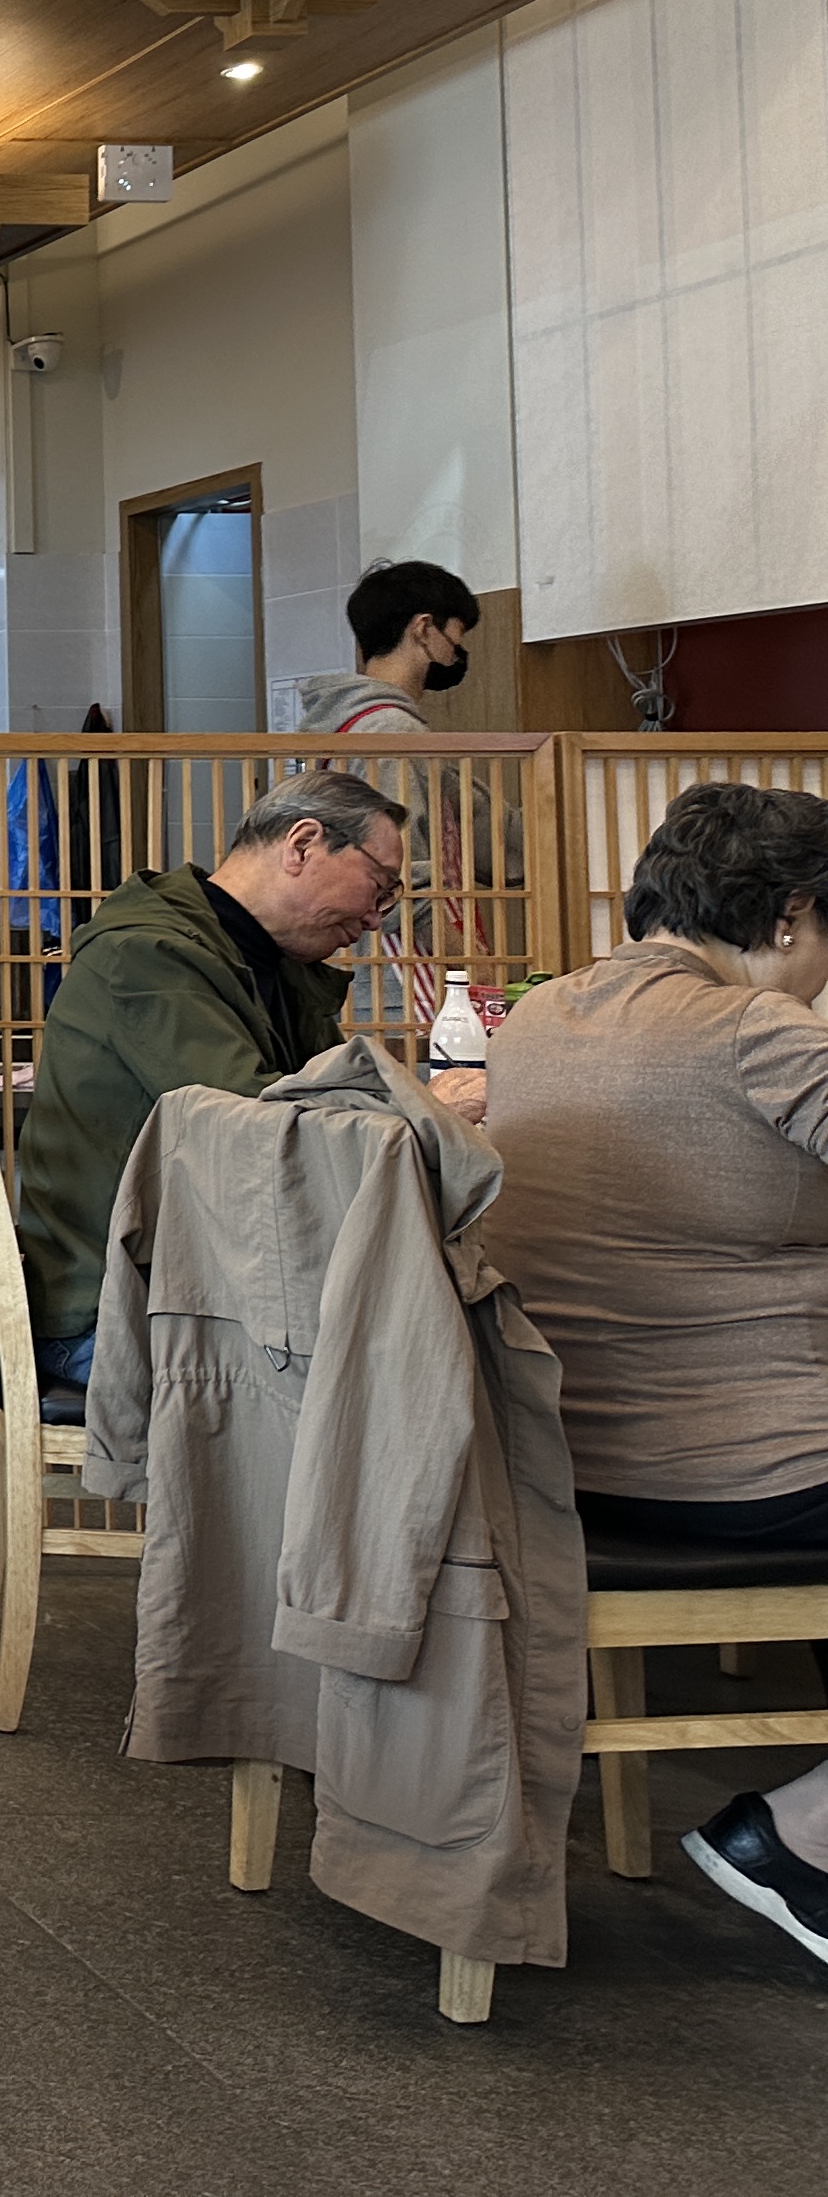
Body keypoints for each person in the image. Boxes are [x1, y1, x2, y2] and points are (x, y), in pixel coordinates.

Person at [480, 780, 828, 1968]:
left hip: (561, 1454)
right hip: (739, 1469)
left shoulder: (541, 1016)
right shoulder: (756, 1032)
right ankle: (795, 1836)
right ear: (790, 915)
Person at [10, 769, 407, 1389]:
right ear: (303, 844)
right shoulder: (145, 952)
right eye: (378, 887)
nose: (376, 919)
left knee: (412, 1340)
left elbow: (328, 1100)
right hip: (111, 1309)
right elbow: (259, 1124)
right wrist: (423, 1106)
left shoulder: (265, 960)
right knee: (379, 1387)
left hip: (190, 1284)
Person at [290, 560, 480, 736]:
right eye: (457, 636)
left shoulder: (331, 721)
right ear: (423, 629)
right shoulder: (393, 727)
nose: (455, 653)